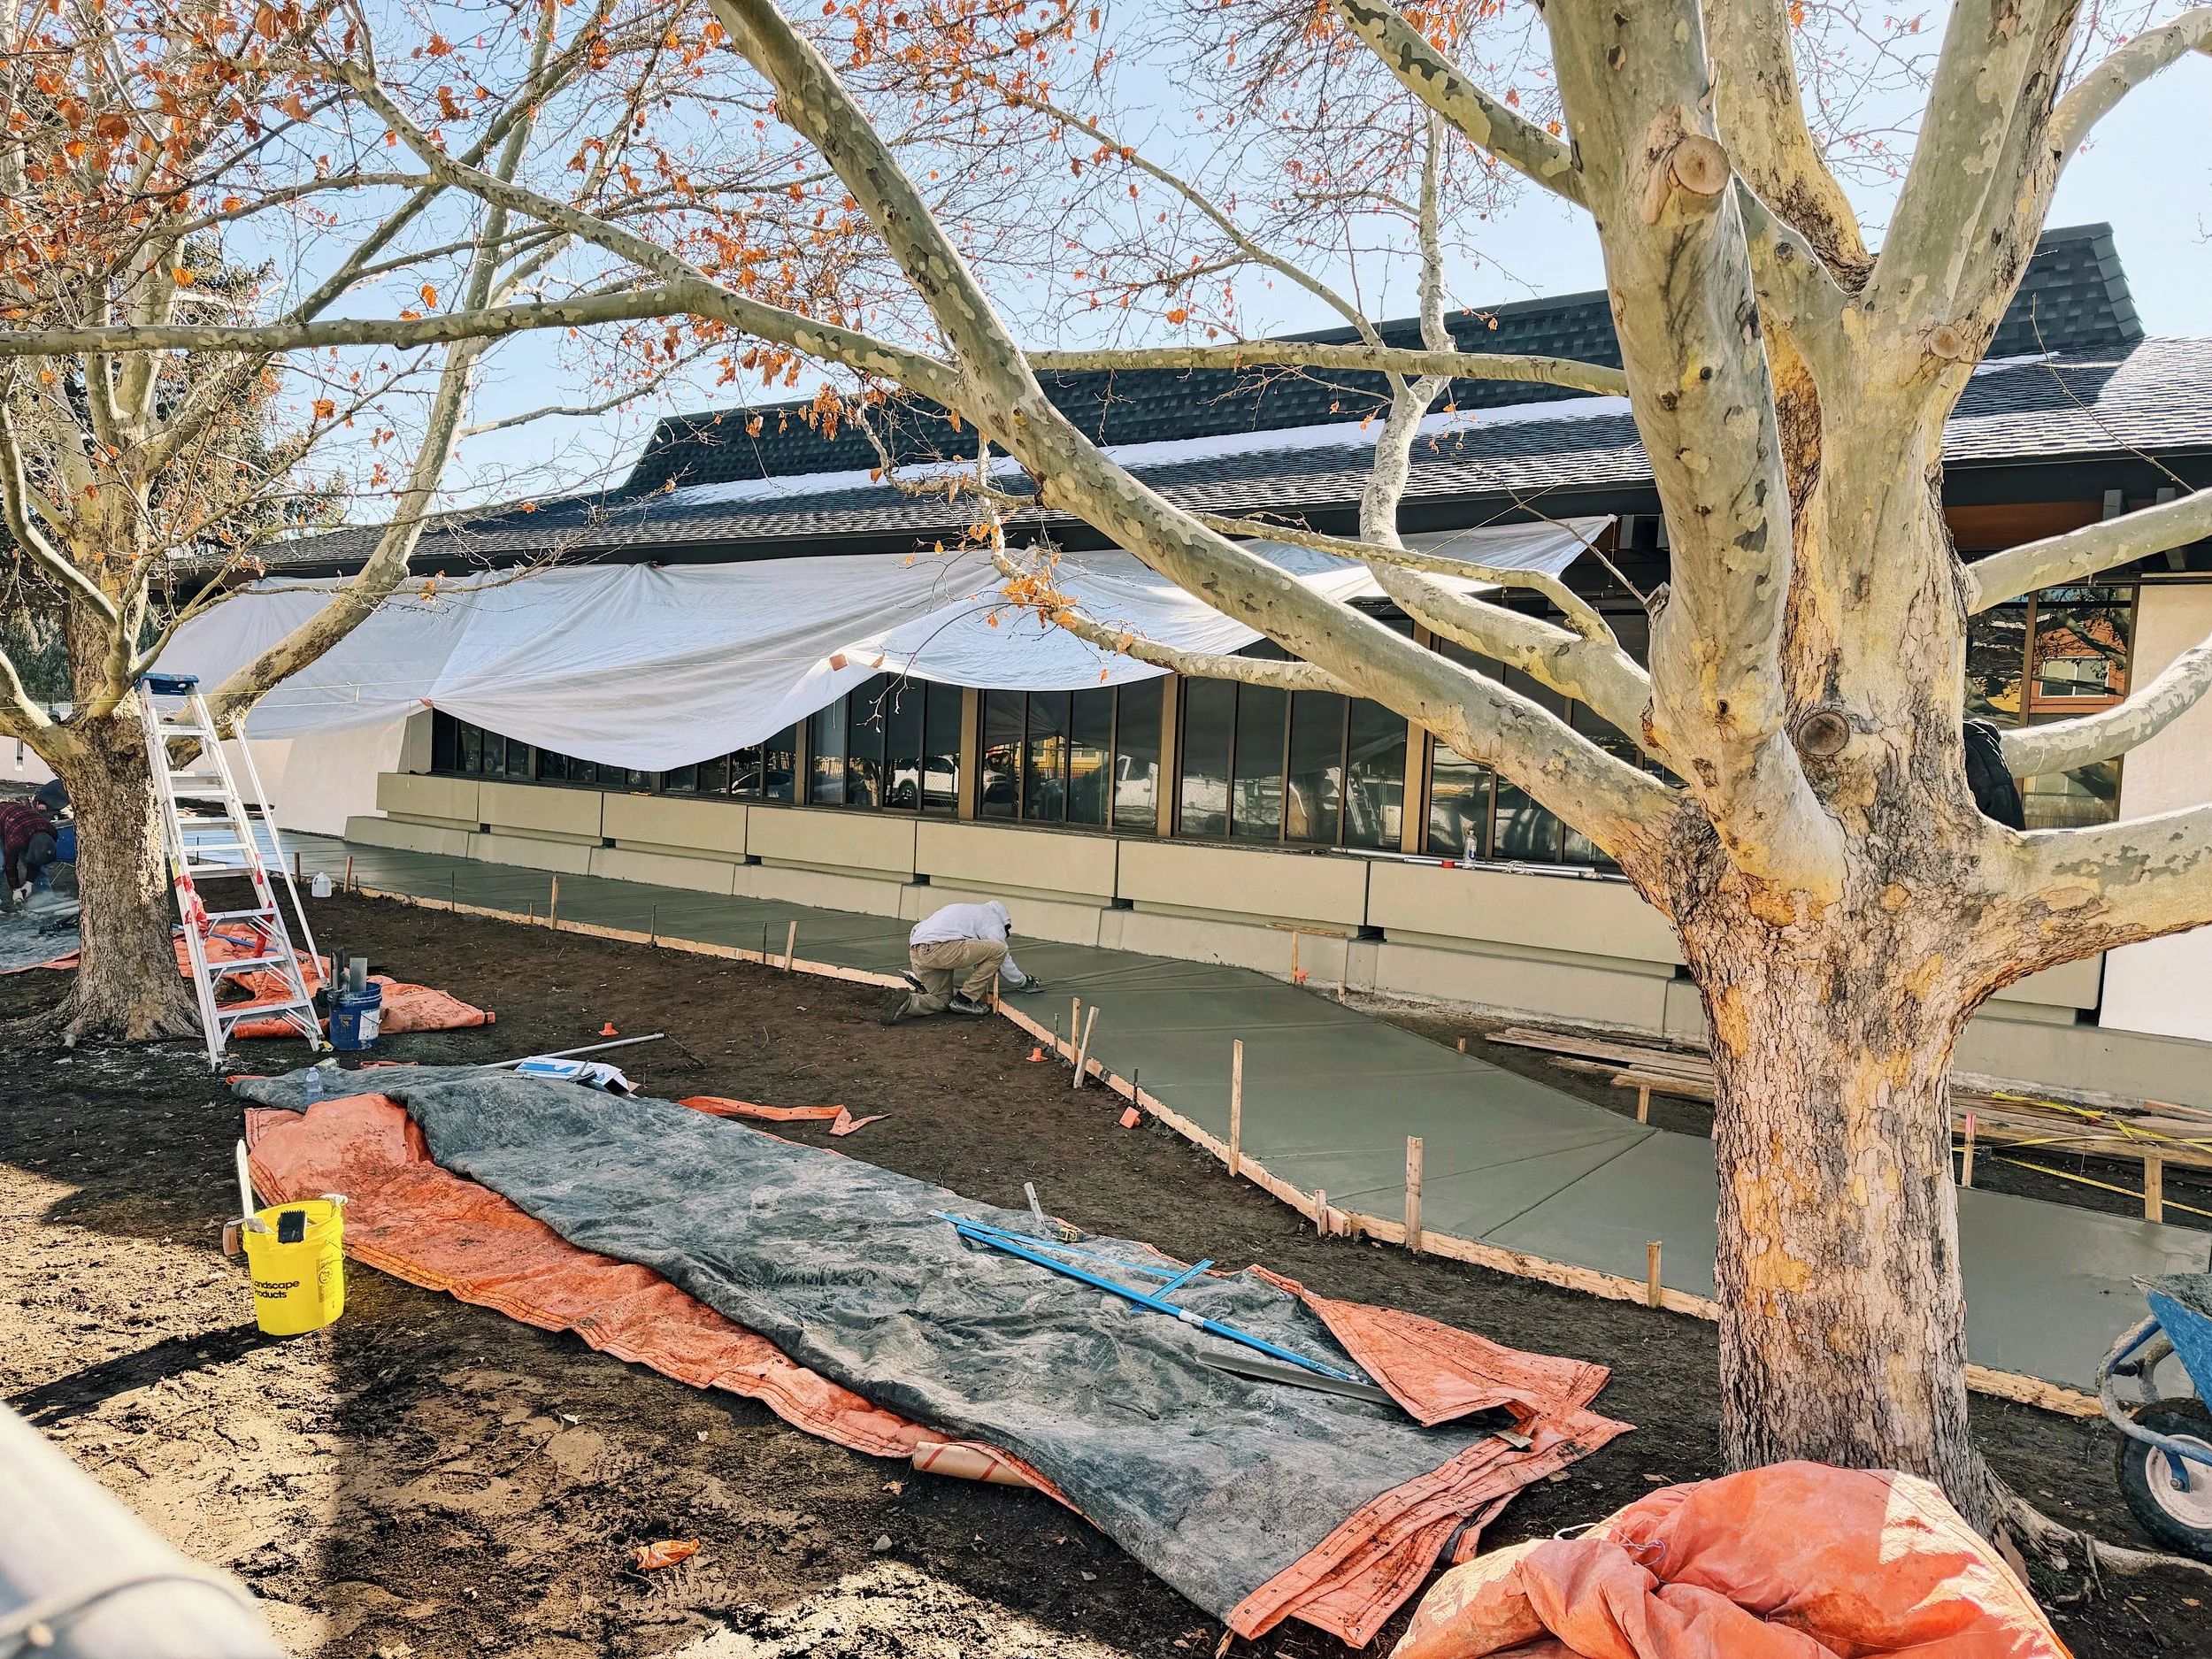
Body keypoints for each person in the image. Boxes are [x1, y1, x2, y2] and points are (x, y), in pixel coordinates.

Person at [882, 898, 1046, 1024]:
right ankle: (965, 999)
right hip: (939, 949)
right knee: (998, 951)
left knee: (941, 1000)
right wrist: (1023, 981)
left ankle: (908, 1002)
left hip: (918, 950)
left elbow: (918, 928)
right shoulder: (993, 920)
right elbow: (1002, 954)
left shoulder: (963, 910)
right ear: (1005, 921)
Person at [0, 795, 59, 911]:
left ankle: (45, 897)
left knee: (40, 857)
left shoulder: (51, 831)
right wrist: (16, 889)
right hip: (5, 821)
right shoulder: (16, 840)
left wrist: (29, 882)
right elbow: (10, 864)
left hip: (20, 824)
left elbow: (37, 858)